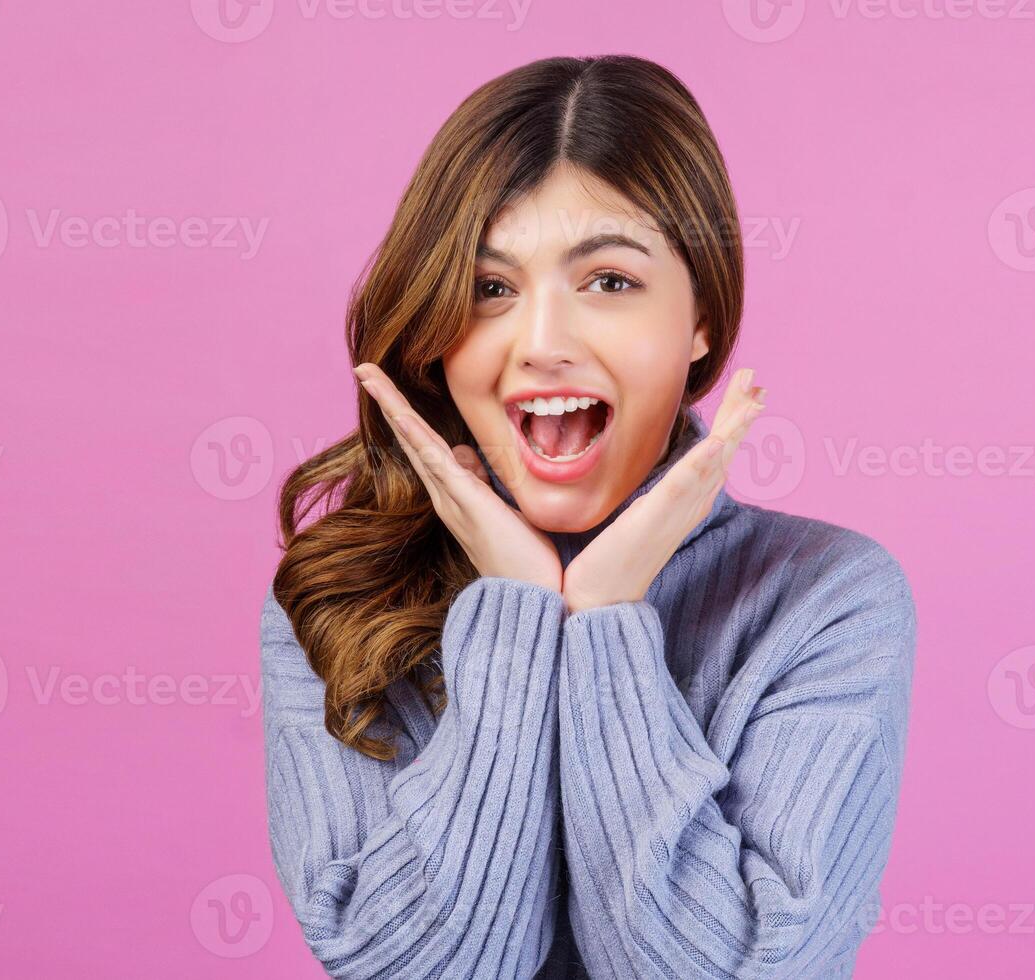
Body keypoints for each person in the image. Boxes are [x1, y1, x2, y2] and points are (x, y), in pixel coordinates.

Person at [261, 54, 916, 979]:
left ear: (702, 320)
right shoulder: (339, 598)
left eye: (608, 281)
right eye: (491, 288)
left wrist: (607, 620)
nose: (542, 344)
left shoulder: (827, 600)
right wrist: (520, 613)